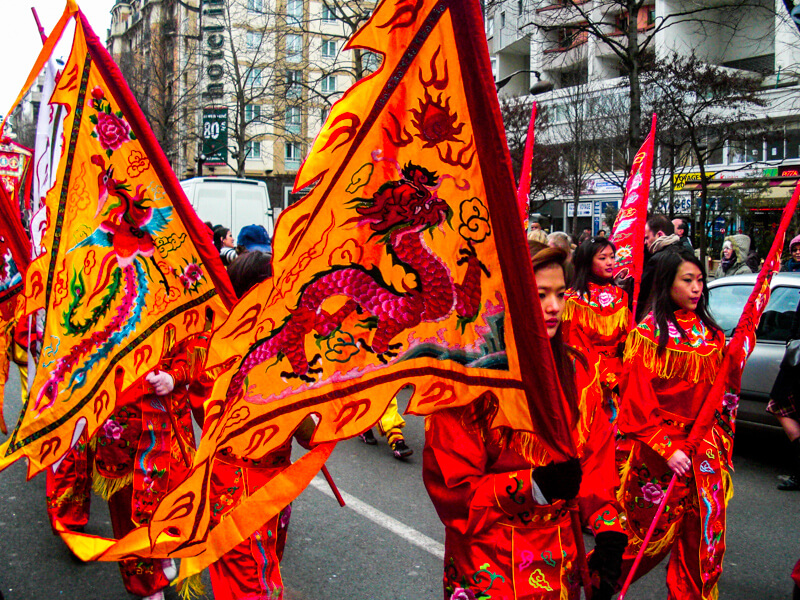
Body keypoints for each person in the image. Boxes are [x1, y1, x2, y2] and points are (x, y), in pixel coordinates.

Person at [423, 247, 626, 600]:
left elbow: (596, 462)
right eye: (540, 295)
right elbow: (452, 491)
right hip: (490, 558)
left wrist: (608, 532)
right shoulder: (469, 383)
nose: (554, 307)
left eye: (560, 294)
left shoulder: (577, 371)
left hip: (562, 557)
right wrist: (533, 486)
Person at [616, 248, 728, 599]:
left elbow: (721, 400)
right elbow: (636, 403)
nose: (696, 288)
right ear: (667, 283)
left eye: (700, 281)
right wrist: (667, 448)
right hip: (659, 454)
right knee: (642, 544)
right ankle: (592, 587)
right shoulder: (649, 334)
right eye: (687, 280)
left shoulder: (712, 336)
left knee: (704, 547)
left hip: (704, 456)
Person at [562, 237, 630, 424]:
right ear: (587, 261)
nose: (610, 262)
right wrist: (609, 378)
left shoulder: (621, 296)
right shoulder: (573, 300)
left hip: (621, 376)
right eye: (602, 258)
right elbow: (577, 345)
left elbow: (627, 338)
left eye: (612, 256)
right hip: (588, 376)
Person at [766, 295, 800, 490]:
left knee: (778, 404)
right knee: (778, 404)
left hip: (796, 365)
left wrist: (792, 340)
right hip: (795, 362)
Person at [636, 215, 681, 322]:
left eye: (647, 238)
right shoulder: (685, 253)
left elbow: (643, 295)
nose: (645, 242)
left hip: (660, 320)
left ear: (659, 234)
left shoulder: (656, 260)